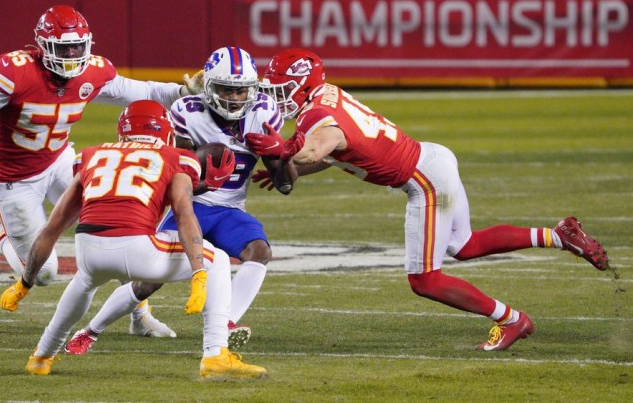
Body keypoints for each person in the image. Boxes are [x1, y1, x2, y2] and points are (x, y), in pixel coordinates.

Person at [246, 48, 609, 351]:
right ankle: (560, 235)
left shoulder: (318, 115)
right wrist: (289, 163)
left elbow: (319, 147)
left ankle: (512, 320)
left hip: (423, 179)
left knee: (425, 281)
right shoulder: (326, 96)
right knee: (463, 245)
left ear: (303, 86)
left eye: (282, 89)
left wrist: (285, 151)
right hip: (432, 158)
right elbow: (334, 154)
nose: (277, 96)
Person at [0, 5, 202, 337]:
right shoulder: (14, 73)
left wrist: (183, 92)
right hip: (12, 179)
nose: (73, 55)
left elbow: (144, 91)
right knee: (44, 273)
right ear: (44, 46)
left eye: (78, 47)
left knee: (120, 219)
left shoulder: (93, 71)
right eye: (64, 48)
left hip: (59, 161)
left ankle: (139, 316)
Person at [0, 100, 267, 378]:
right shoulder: (178, 158)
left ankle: (42, 356)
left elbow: (52, 228)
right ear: (165, 131)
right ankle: (215, 355)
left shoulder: (92, 155)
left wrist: (25, 282)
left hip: (88, 247)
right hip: (138, 248)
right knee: (219, 260)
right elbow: (185, 216)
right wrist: (199, 270)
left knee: (84, 283)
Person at [62, 46, 300, 356]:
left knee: (260, 251)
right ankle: (89, 331)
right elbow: (174, 178)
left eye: (241, 91)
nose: (234, 98)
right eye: (227, 89)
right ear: (210, 87)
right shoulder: (188, 112)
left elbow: (285, 185)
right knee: (148, 281)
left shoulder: (264, 112)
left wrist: (281, 153)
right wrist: (204, 179)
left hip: (230, 210)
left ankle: (225, 324)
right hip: (191, 207)